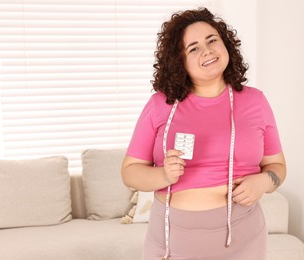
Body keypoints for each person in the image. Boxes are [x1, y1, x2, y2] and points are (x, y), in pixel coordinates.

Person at [121, 7, 286, 260]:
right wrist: (163, 174)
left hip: (243, 239)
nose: (207, 50)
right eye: (193, 48)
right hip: (171, 241)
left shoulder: (255, 101)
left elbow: (277, 166)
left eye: (212, 40)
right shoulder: (160, 104)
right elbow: (130, 172)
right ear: (180, 61)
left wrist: (264, 182)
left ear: (226, 44)